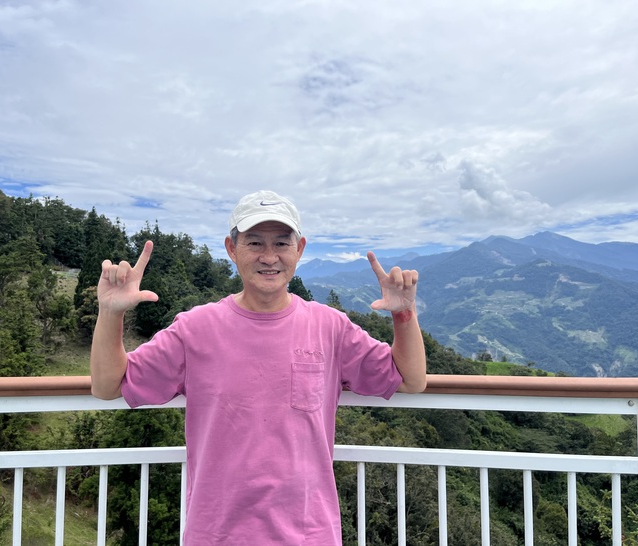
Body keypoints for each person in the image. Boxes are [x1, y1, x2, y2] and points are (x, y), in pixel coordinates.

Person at [90, 190, 427, 545]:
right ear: (231, 249)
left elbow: (410, 379)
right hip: (216, 536)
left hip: (309, 535)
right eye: (254, 243)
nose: (269, 257)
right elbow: (108, 385)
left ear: (299, 249)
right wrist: (110, 312)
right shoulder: (195, 329)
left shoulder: (330, 327)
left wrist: (404, 314)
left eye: (281, 243)